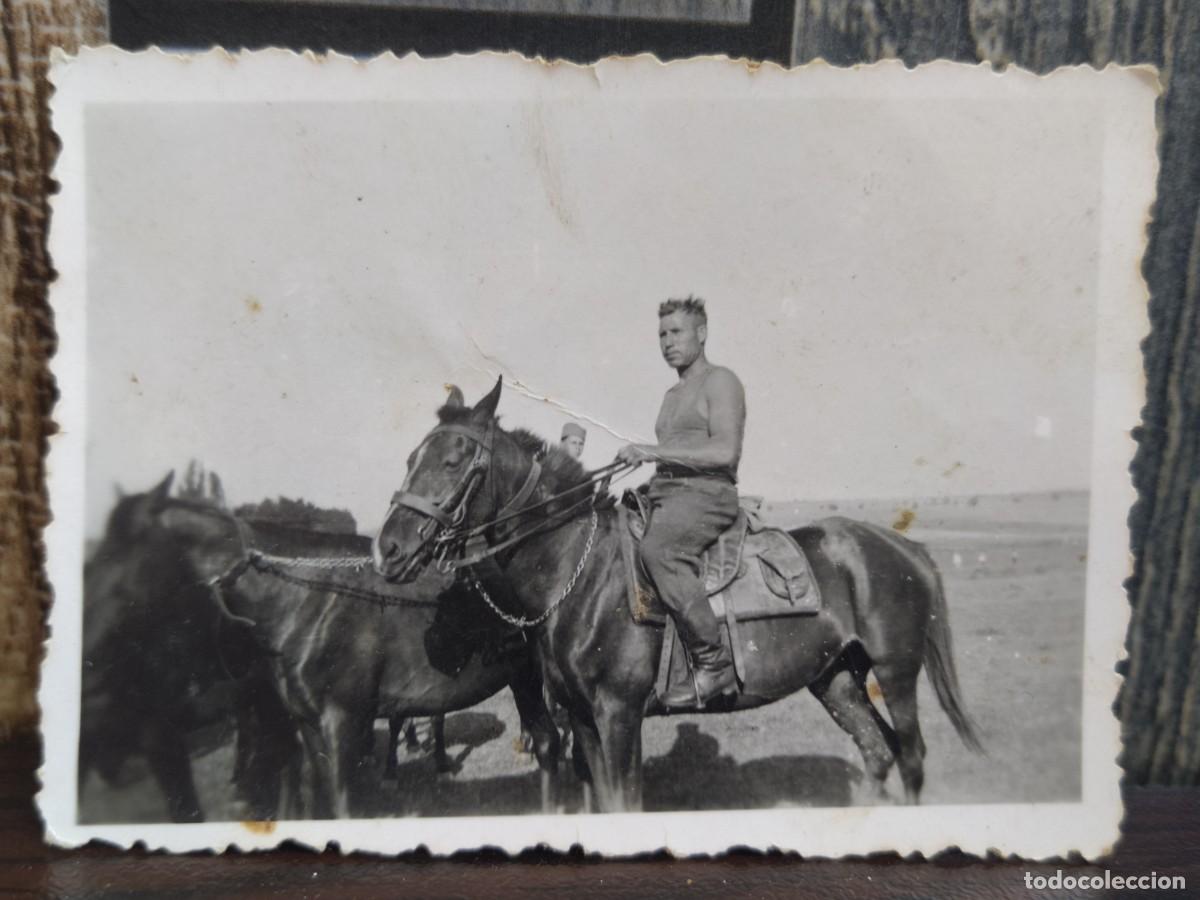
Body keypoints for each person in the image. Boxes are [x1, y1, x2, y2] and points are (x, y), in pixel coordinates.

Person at [616, 296, 745, 710]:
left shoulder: (720, 381)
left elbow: (725, 451)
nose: (667, 342)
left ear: (702, 334)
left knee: (661, 550)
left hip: (708, 496)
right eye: (662, 335)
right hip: (669, 494)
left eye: (676, 332)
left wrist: (653, 453)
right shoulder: (672, 394)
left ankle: (714, 662)